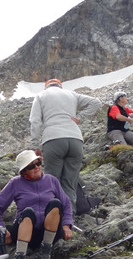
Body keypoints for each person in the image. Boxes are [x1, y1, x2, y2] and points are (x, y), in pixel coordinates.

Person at [0, 150, 74, 259]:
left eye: (38, 163)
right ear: (24, 171)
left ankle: (45, 252)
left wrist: (66, 225)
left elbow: (66, 203)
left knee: (55, 204)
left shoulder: (52, 180)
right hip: (24, 232)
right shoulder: (15, 183)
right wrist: (1, 228)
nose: (37, 167)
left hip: (50, 233)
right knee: (28, 212)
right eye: (31, 166)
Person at [29, 79, 101, 213]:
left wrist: (35, 145)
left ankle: (53, 216)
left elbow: (35, 121)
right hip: (75, 139)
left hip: (53, 139)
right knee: (70, 184)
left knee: (52, 182)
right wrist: (80, 117)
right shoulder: (71, 94)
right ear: (60, 86)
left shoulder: (41, 96)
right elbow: (96, 102)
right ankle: (69, 217)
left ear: (46, 87)